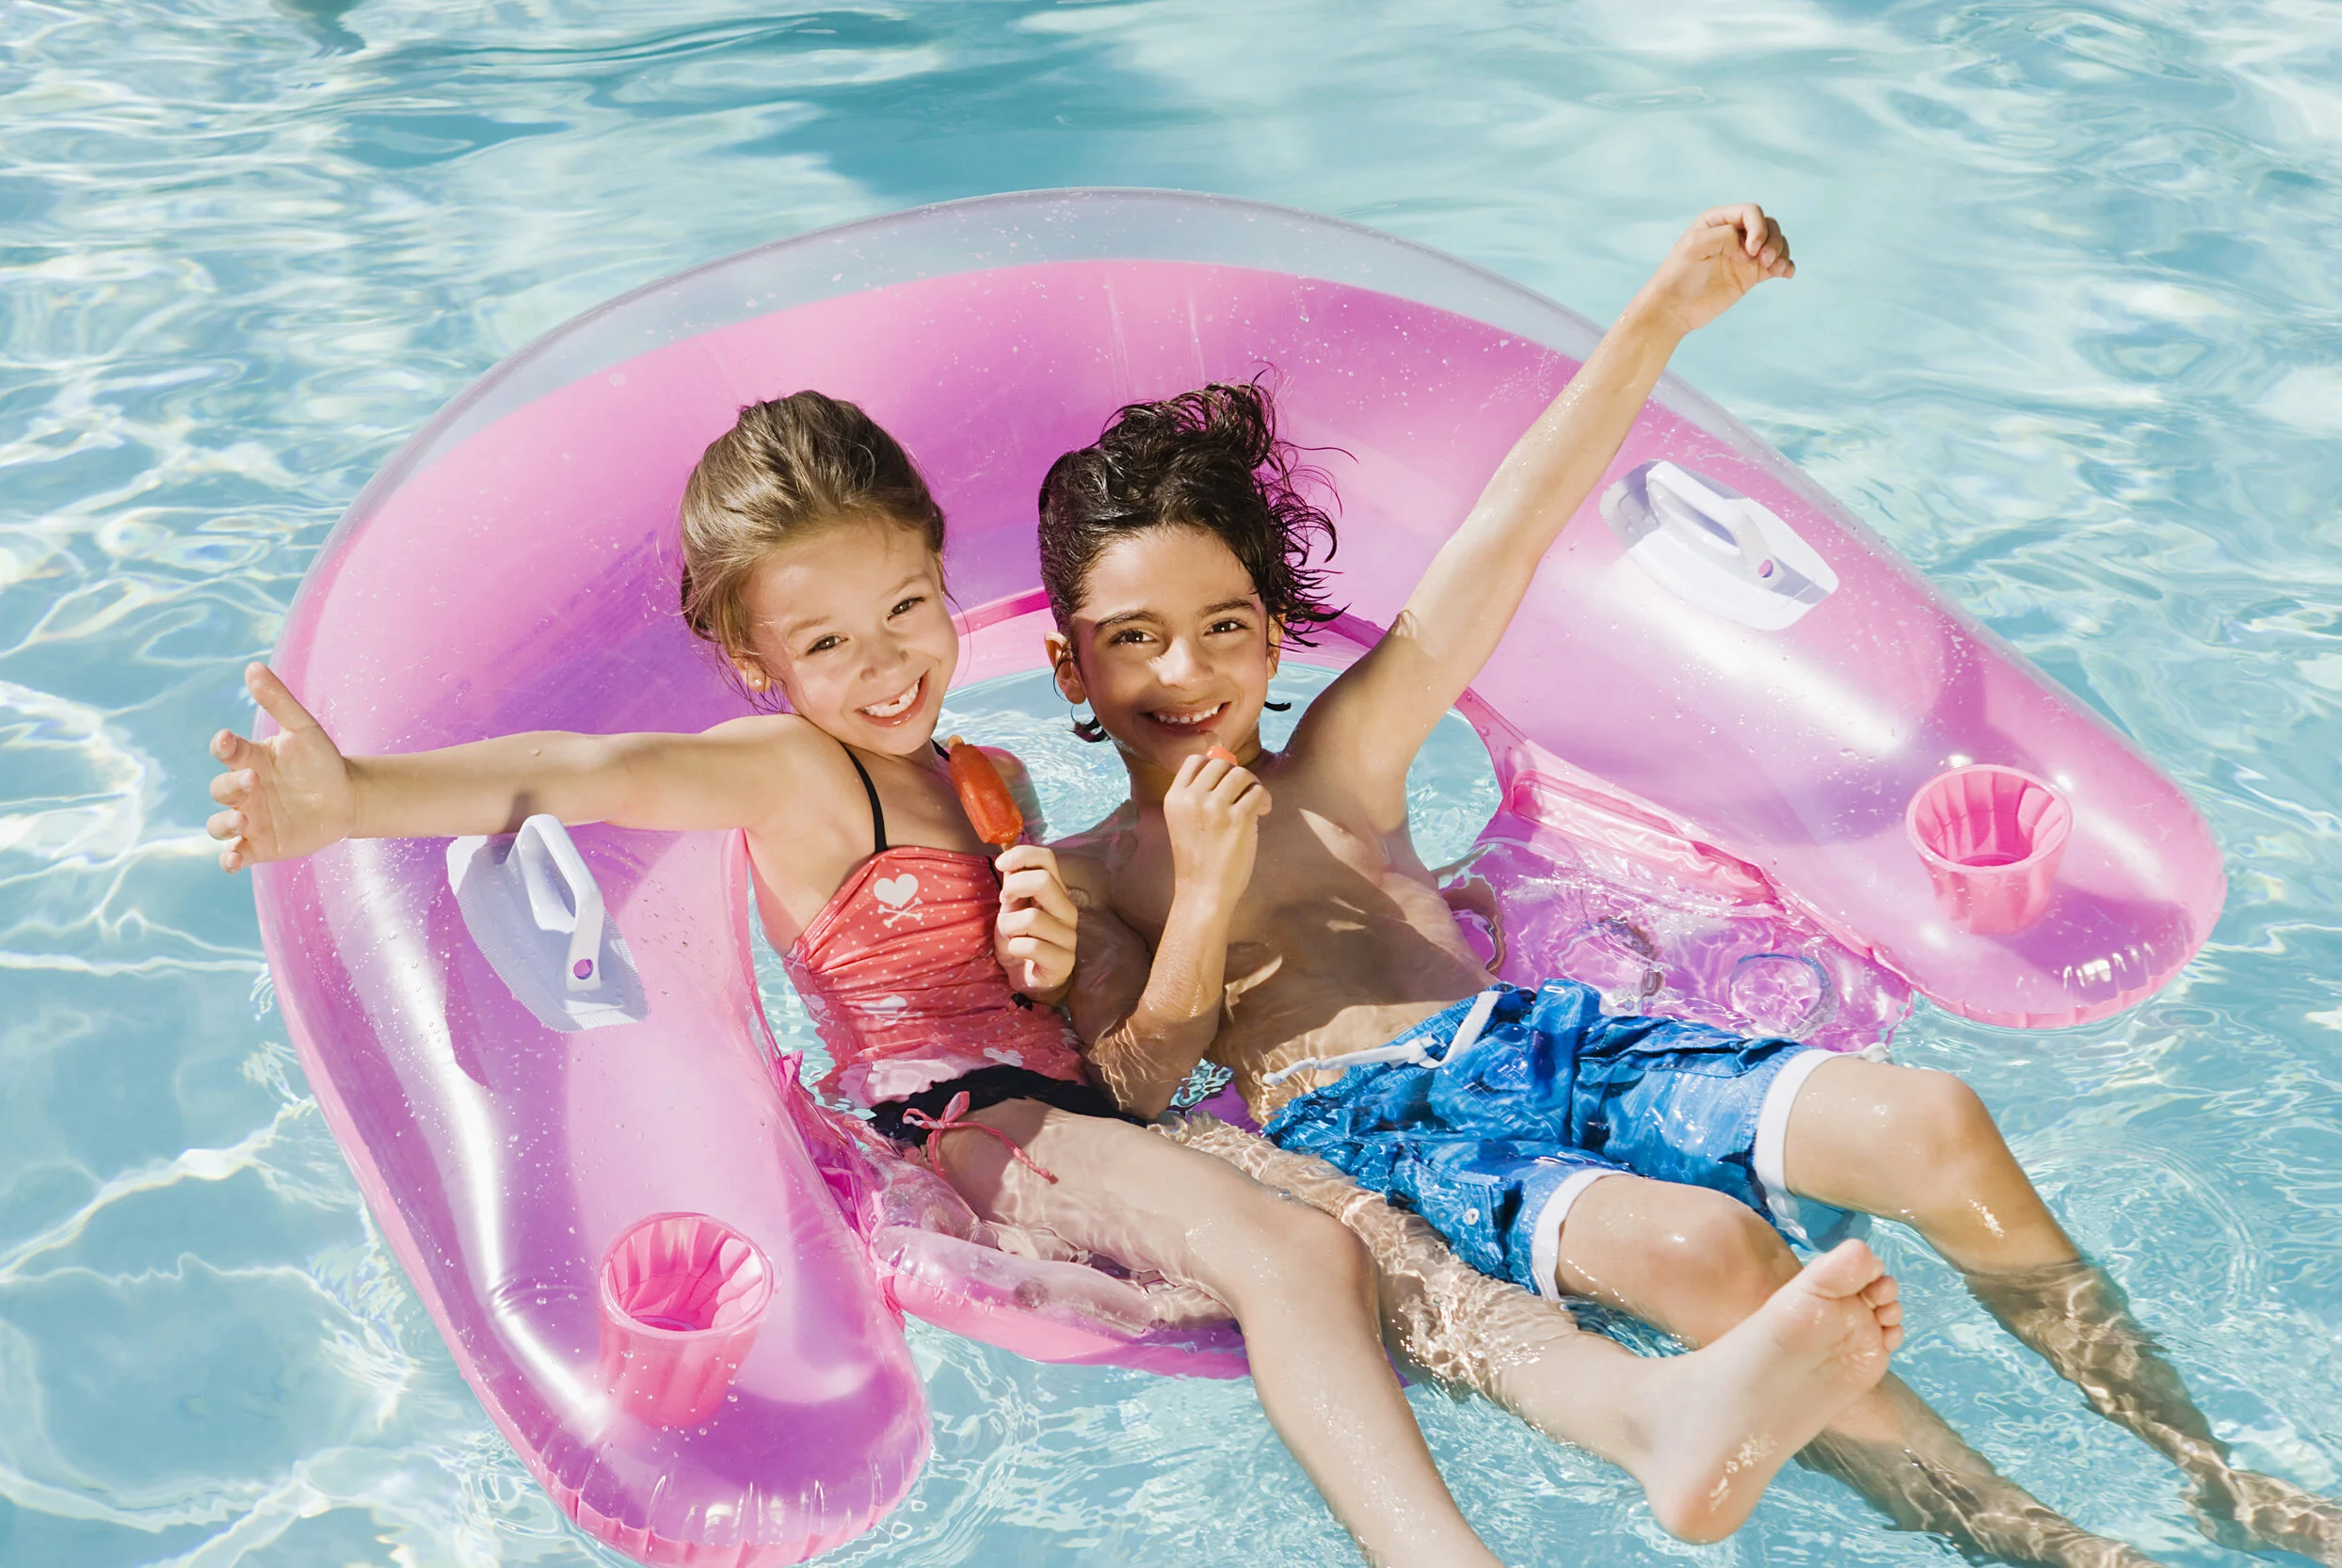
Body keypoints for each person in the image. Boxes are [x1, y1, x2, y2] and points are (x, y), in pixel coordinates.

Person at [202, 390, 1904, 1566]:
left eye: (907, 608)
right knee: (1297, 1251)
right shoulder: (792, 774)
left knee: (1381, 1252)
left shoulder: (991, 790)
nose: (883, 665)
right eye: (826, 643)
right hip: (971, 1120)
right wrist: (351, 799)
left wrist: (1073, 955)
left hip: (1082, 1107)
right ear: (753, 661)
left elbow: (1130, 1049)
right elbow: (585, 770)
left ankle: (1651, 1420)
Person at [1039, 203, 2342, 1568]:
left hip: (1544, 1040)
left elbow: (1512, 525)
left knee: (1938, 1124)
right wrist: (1198, 893)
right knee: (1712, 1250)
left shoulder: (1343, 759)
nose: (1184, 674)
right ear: (1071, 668)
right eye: (1134, 641)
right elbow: (1133, 1087)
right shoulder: (1087, 878)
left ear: (1273, 635)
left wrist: (1664, 312)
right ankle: (2054, 1546)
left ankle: (2219, 1479)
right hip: (1385, 1127)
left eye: (1221, 629)